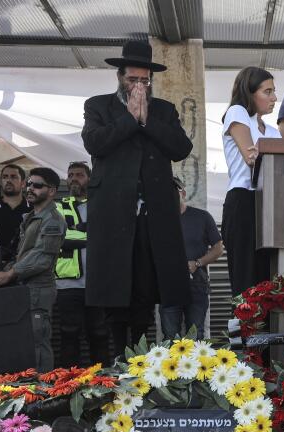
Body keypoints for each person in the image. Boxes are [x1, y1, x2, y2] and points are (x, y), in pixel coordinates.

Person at [81, 39, 193, 358]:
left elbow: (180, 148)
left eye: (145, 80)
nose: (139, 86)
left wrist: (146, 121)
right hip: (114, 213)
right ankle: (118, 355)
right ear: (120, 77)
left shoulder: (164, 111)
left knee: (147, 285)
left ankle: (144, 355)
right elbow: (95, 143)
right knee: (116, 285)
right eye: (133, 80)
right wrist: (129, 120)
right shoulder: (98, 106)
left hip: (153, 213)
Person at [0, 168, 66, 372]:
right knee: (23, 344)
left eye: (37, 185)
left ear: (51, 191)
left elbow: (42, 257)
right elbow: (23, 254)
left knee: (37, 343)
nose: (30, 189)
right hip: (24, 288)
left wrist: (9, 274)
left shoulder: (52, 219)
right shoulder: (31, 217)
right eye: (29, 184)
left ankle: (44, 395)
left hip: (38, 289)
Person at [221, 66, 280, 296]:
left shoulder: (273, 131)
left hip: (269, 202)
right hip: (244, 200)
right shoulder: (237, 112)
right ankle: (246, 330)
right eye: (267, 91)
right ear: (249, 92)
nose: (274, 98)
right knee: (246, 278)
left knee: (268, 275)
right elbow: (250, 157)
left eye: (274, 91)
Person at [55, 161, 108, 367]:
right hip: (68, 284)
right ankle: (69, 385)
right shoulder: (58, 208)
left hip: (97, 283)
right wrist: (88, 232)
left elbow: (107, 236)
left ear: (89, 179)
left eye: (79, 175)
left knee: (100, 334)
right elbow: (60, 238)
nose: (74, 178)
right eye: (70, 175)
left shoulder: (100, 205)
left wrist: (76, 230)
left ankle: (102, 381)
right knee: (69, 335)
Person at [160, 178, 223, 340]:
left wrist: (197, 263)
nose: (171, 197)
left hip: (197, 285)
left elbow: (218, 248)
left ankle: (195, 366)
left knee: (195, 336)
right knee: (170, 338)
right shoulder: (158, 221)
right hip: (168, 287)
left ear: (183, 194)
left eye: (175, 193)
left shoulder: (202, 217)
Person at [0, 164, 31, 269]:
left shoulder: (34, 209)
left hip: (27, 269)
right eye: (5, 177)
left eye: (13, 177)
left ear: (23, 183)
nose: (8, 180)